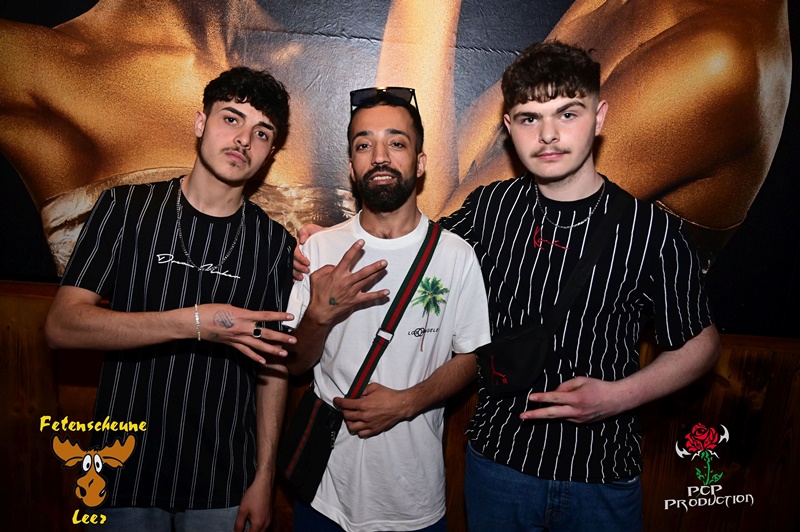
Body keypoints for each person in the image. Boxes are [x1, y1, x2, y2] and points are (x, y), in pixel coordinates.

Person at [1, 1, 790, 275]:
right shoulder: (44, 66)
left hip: (521, 454)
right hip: (168, 445)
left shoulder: (717, 58)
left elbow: (433, 240)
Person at [442, 41, 720, 531]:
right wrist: (332, 242)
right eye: (529, 118)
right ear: (509, 127)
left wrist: (618, 396)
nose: (548, 134)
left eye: (567, 113)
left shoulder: (650, 230)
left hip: (602, 476)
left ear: (599, 117)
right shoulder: (491, 208)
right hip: (500, 466)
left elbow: (701, 344)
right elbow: (416, 255)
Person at [44, 67, 296, 532]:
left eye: (262, 133)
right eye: (231, 119)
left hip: (223, 484)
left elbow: (272, 369)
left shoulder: (275, 244)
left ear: (270, 151)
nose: (244, 139)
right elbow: (62, 327)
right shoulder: (125, 210)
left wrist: (264, 477)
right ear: (201, 122)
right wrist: (195, 322)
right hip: (122, 472)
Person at [283, 88, 491, 531]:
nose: (380, 156)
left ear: (420, 162)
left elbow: (473, 357)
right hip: (325, 494)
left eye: (396, 142)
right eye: (364, 145)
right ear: (352, 165)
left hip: (414, 499)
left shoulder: (456, 255)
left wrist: (407, 403)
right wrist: (319, 315)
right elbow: (295, 365)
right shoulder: (320, 249)